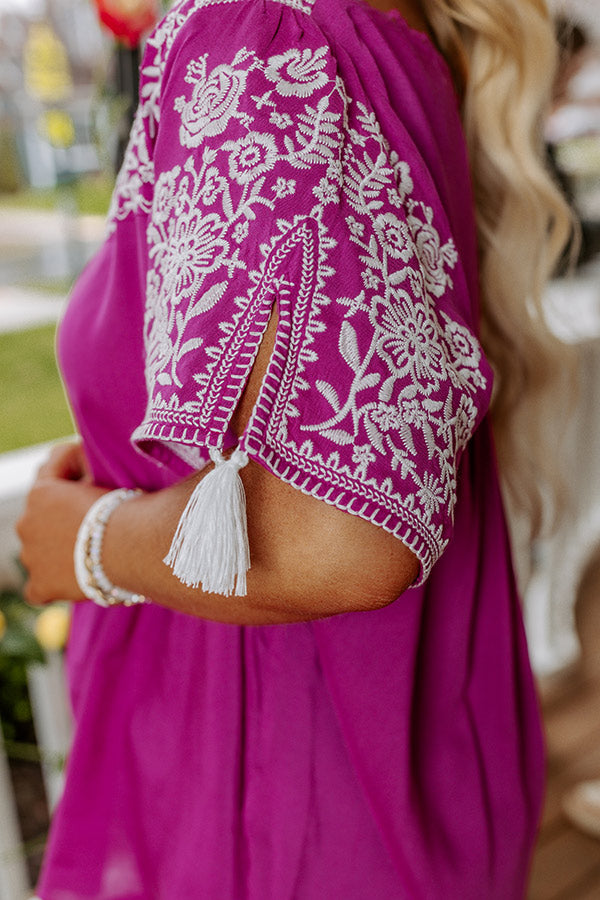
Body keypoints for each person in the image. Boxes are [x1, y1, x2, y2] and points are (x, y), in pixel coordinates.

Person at [17, 0, 573, 896]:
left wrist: (89, 542)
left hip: (280, 801)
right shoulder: (367, 33)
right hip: (366, 776)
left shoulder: (269, 37)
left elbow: (345, 537)